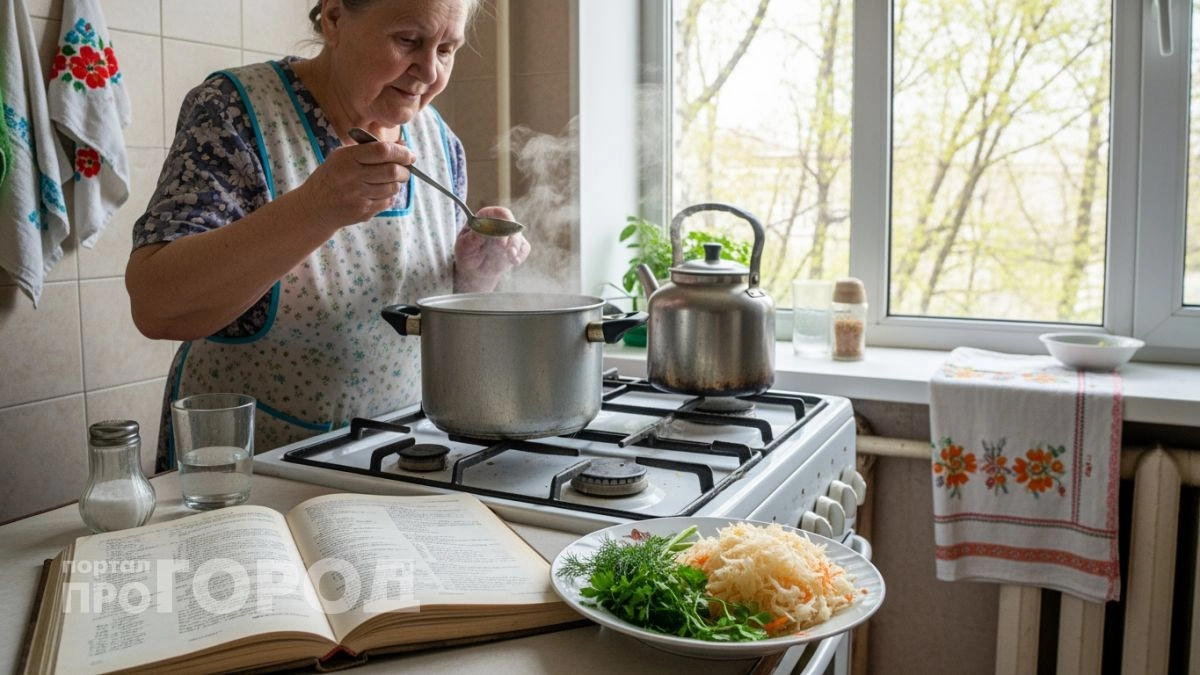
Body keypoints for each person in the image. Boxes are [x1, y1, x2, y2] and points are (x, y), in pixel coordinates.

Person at [125, 0, 530, 471]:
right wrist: (316, 208)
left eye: (447, 48)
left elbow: (418, 321)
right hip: (247, 469)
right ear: (335, 18)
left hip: (403, 460)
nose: (428, 71)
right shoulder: (235, 111)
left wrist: (474, 279)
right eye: (408, 41)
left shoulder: (439, 141)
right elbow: (155, 307)